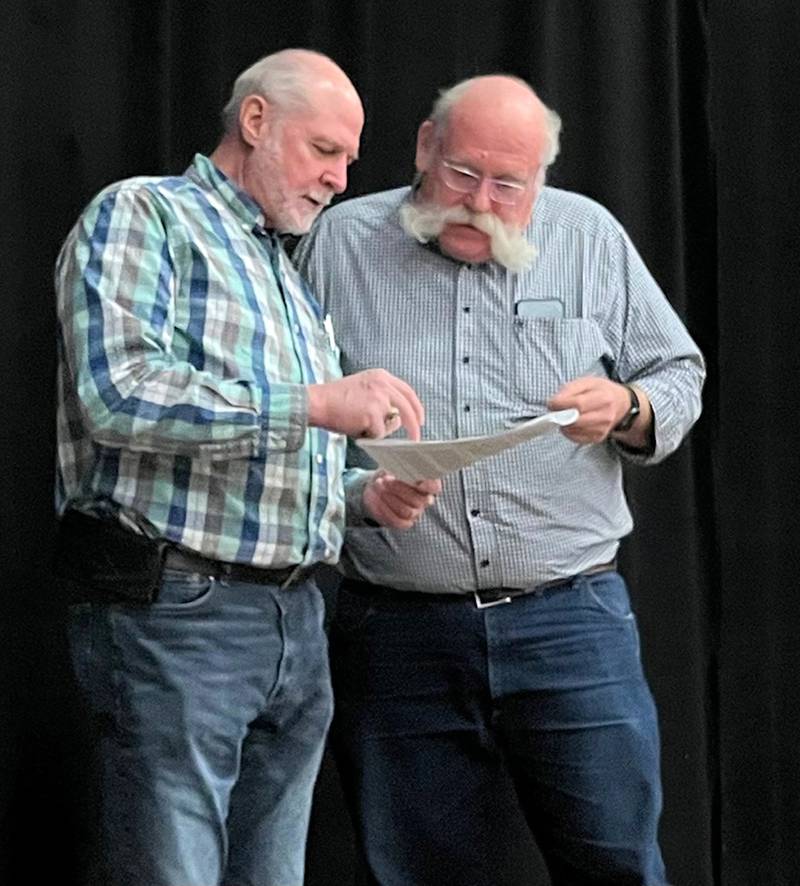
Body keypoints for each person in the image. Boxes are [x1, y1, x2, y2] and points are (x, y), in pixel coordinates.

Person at [294, 74, 705, 886]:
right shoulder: (338, 244)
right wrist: (358, 493)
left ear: (541, 179)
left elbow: (678, 373)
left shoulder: (588, 236)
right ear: (423, 149)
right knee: (411, 870)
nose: (480, 200)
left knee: (617, 864)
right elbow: (298, 422)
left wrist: (627, 405)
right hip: (398, 633)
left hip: (572, 623)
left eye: (509, 183)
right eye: (462, 173)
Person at [54, 48, 435, 886]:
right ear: (255, 121)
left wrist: (366, 494)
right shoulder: (145, 216)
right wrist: (315, 404)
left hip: (296, 621)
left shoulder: (282, 268)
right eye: (324, 150)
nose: (339, 179)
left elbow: (272, 469)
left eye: (347, 160)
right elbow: (118, 394)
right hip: (180, 614)